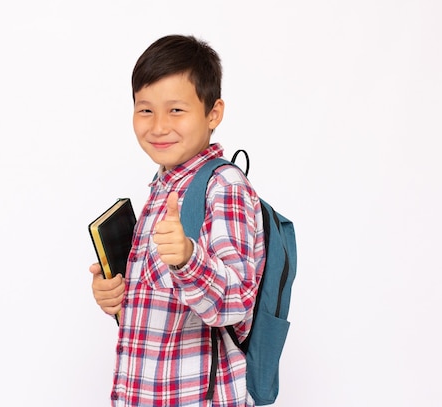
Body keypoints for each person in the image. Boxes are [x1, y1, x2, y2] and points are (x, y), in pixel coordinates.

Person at [89, 34, 266, 407]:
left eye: (176, 110)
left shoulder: (223, 186)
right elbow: (163, 308)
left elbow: (235, 304)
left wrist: (188, 257)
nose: (158, 126)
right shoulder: (163, 186)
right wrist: (118, 298)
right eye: (146, 110)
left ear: (213, 113)